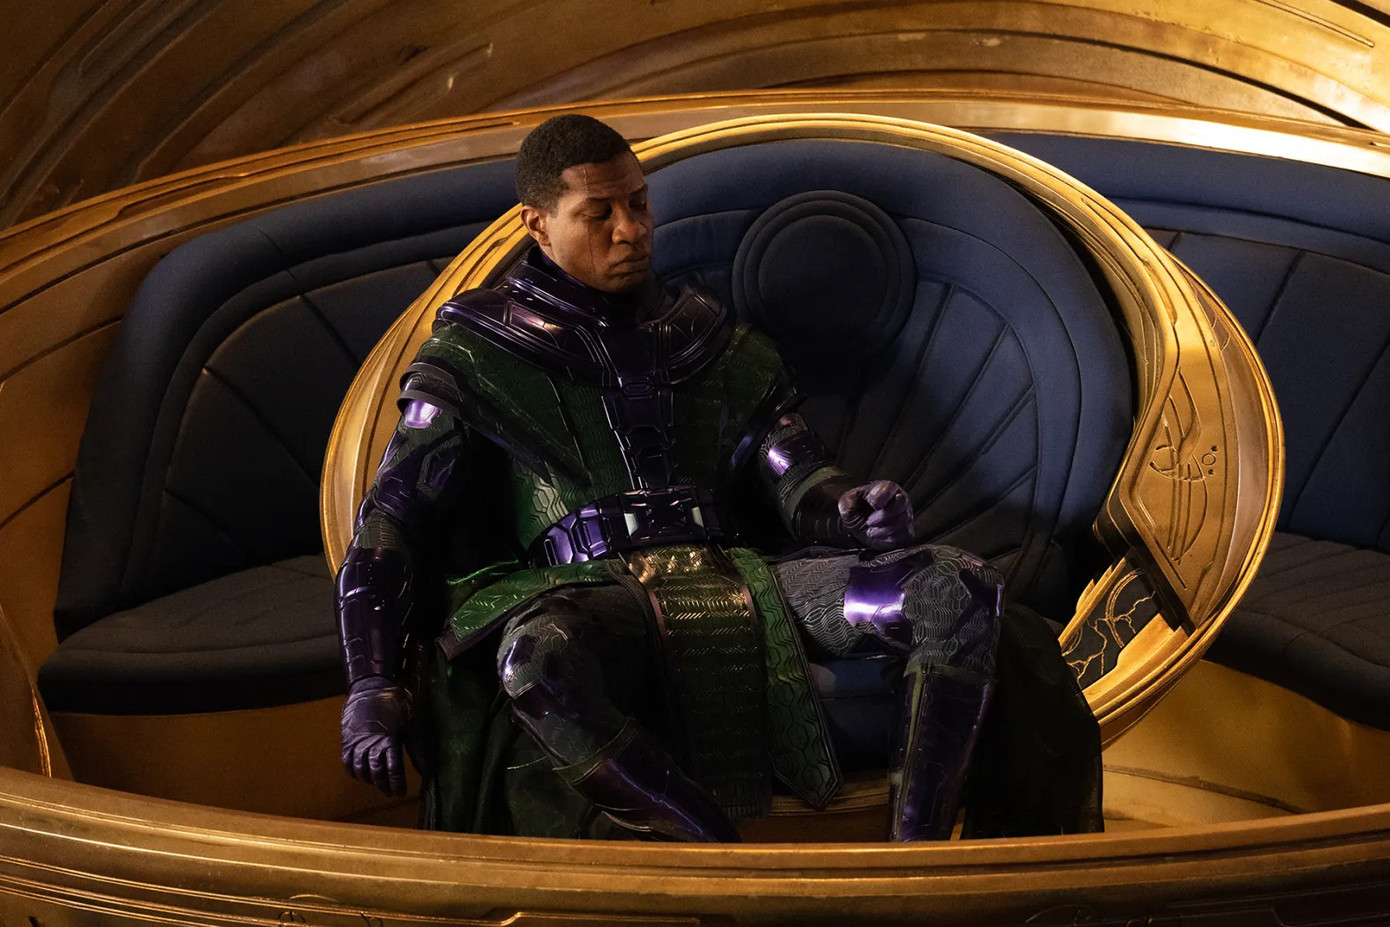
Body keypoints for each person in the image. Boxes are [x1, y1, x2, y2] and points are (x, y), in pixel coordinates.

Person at [336, 113, 1099, 842]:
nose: (631, 229)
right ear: (538, 224)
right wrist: (372, 680)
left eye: (638, 204)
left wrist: (850, 508)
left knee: (951, 586)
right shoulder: (474, 353)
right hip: (591, 595)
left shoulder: (706, 334)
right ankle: (718, 861)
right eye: (599, 214)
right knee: (535, 658)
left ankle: (920, 866)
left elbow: (797, 475)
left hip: (746, 576)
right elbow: (391, 519)